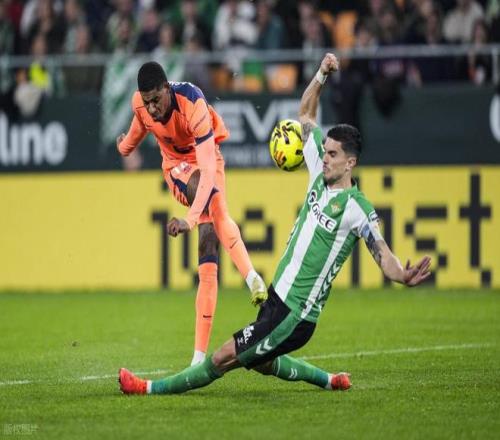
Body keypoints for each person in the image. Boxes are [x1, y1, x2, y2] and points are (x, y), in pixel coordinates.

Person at [118, 53, 432, 396]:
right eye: (325, 151)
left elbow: (382, 253)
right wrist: (321, 74)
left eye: (333, 155)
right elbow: (306, 114)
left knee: (221, 358)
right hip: (278, 295)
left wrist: (402, 274)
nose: (325, 157)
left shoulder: (357, 207)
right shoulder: (318, 172)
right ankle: (330, 380)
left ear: (350, 163)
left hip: (296, 313)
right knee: (262, 362)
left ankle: (147, 388)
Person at [116, 61, 267, 366]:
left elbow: (209, 169)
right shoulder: (141, 105)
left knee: (207, 244)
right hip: (176, 168)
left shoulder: (193, 103)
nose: (152, 108)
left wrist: (190, 219)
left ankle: (198, 358)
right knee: (209, 198)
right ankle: (252, 277)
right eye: (146, 102)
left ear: (167, 88)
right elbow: (134, 135)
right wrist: (124, 148)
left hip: (208, 161)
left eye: (156, 100)